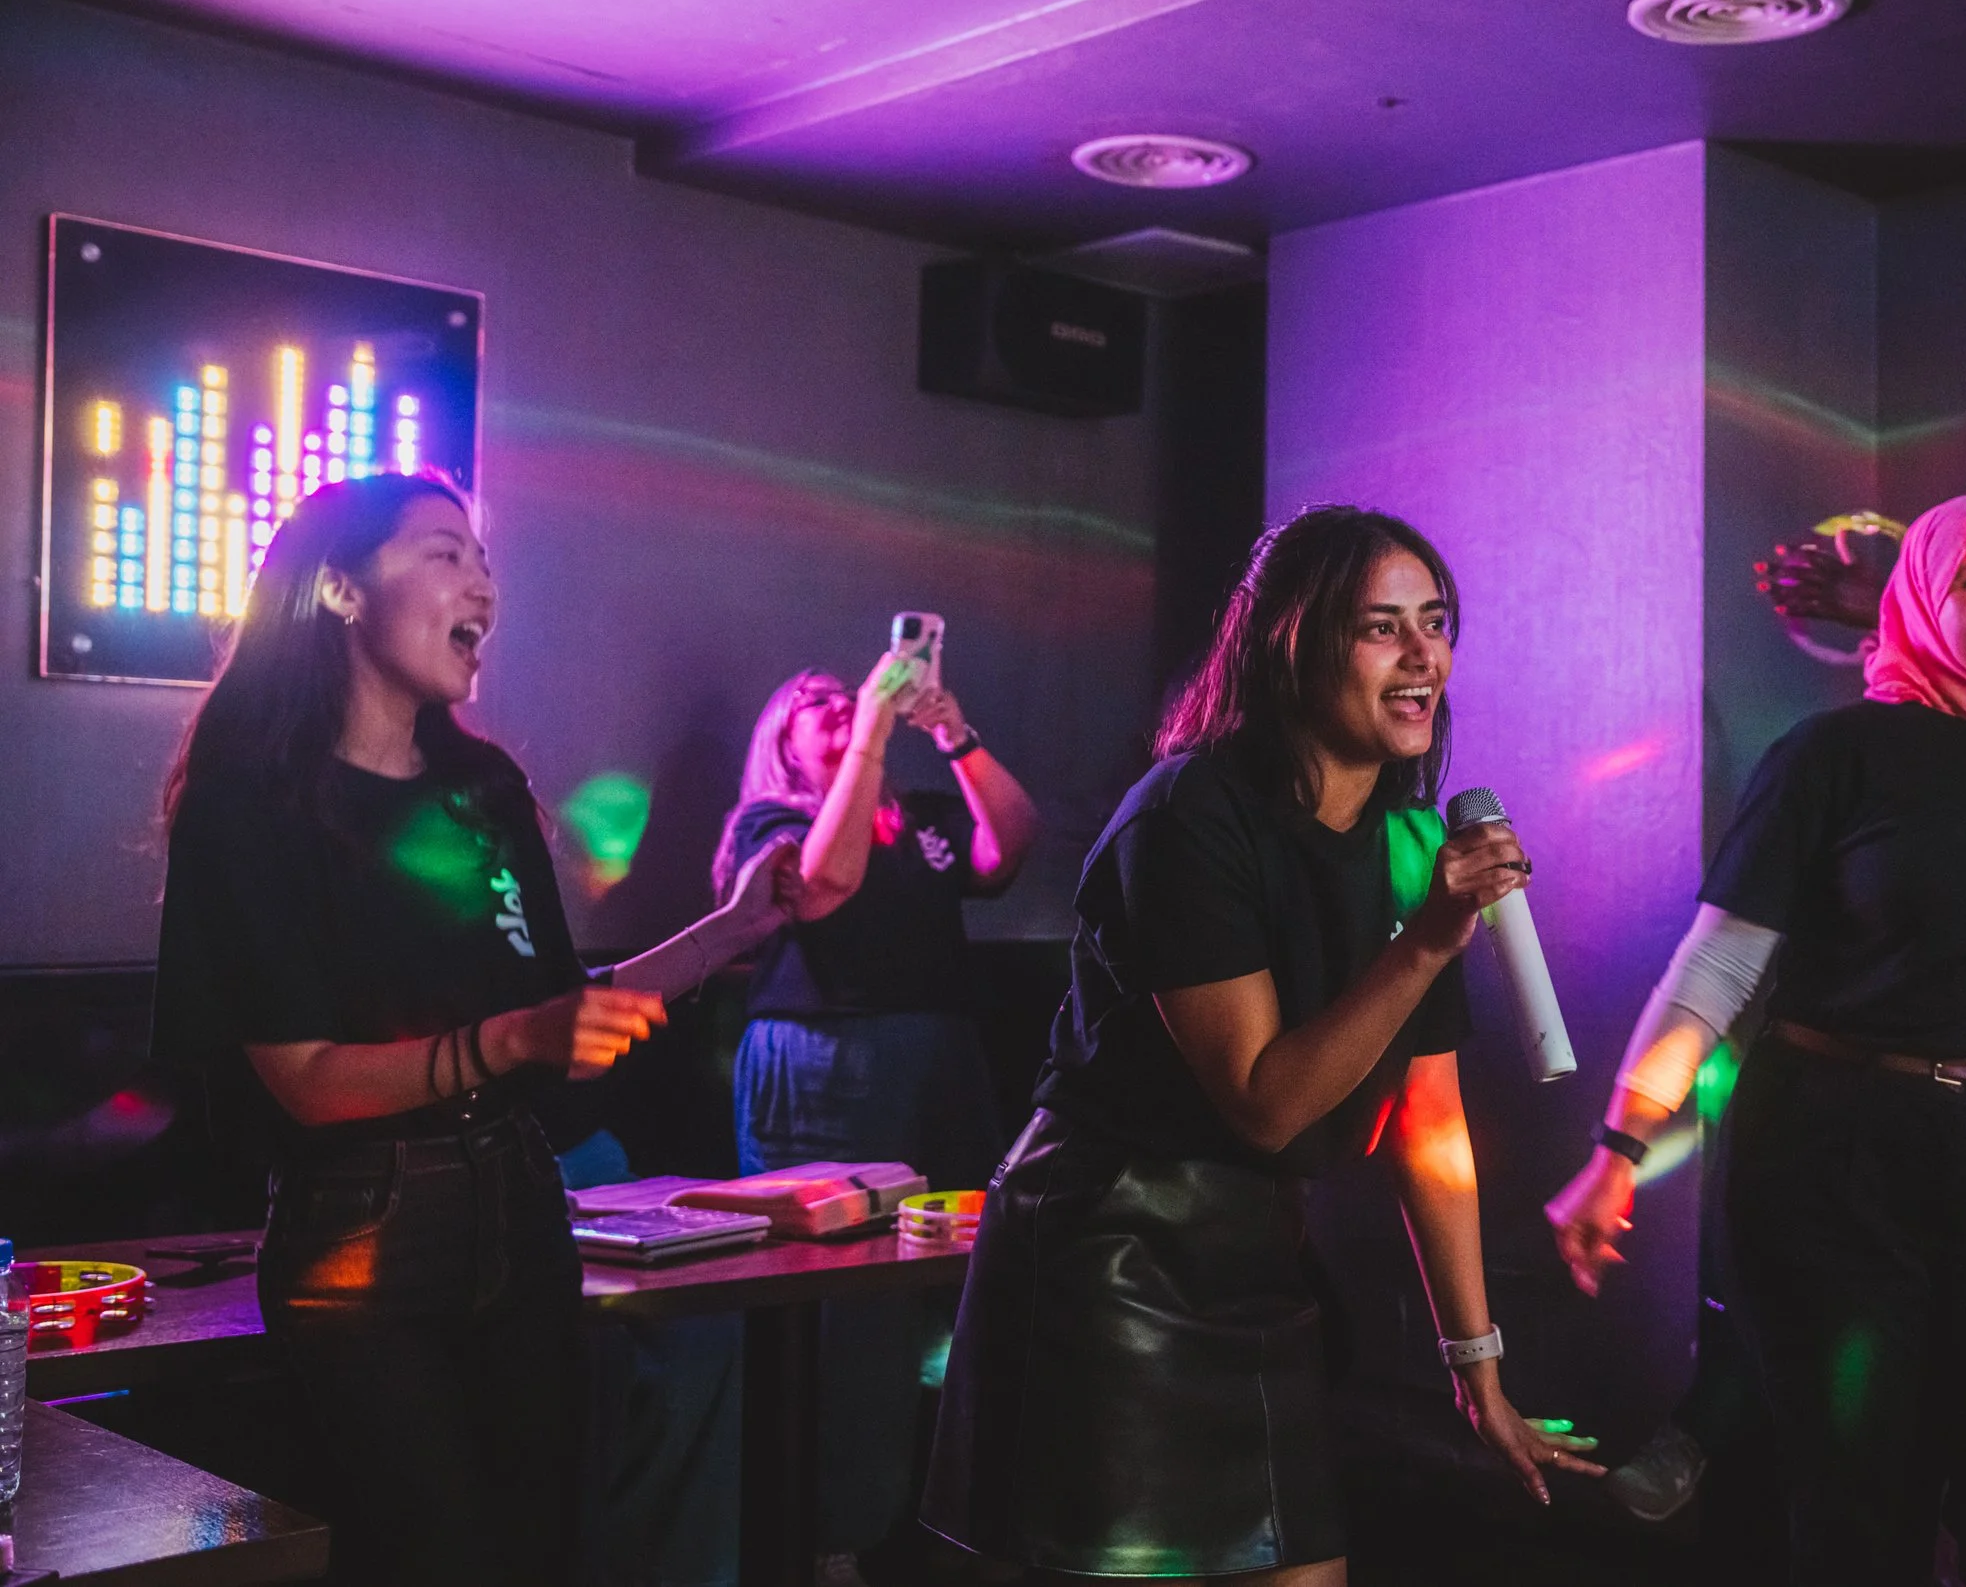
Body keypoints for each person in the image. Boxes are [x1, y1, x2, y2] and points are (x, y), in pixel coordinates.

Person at [924, 505, 1602, 1585]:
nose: (1424, 655)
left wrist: (1477, 1367)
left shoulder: (1410, 839)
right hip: (1113, 1258)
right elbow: (1265, 1098)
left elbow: (1427, 1124)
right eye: (1382, 626)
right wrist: (1427, 938)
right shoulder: (1187, 816)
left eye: (1436, 621)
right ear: (1293, 641)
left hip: (1261, 1266)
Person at [151, 471, 793, 1586]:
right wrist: (509, 1042)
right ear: (342, 591)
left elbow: (558, 1002)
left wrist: (735, 926)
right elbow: (305, 1078)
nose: (483, 584)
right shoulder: (251, 800)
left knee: (542, 1546)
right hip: (362, 1241)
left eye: (485, 560)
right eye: (447, 552)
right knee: (431, 1555)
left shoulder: (480, 787)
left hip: (520, 1206)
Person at [1550, 494, 1966, 1587]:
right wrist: (1621, 1145)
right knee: (1861, 1509)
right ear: (1925, 608)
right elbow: (1716, 965)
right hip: (1835, 1167)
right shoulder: (1837, 753)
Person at [712, 653, 1041, 1579]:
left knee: (964, 1279)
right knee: (843, 1304)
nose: (841, 706)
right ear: (780, 743)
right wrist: (867, 736)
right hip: (825, 1063)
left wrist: (954, 736)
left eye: (844, 701)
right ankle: (830, 1533)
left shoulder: (924, 817)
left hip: (940, 1059)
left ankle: (948, 1516)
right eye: (814, 705)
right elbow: (822, 886)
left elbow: (1012, 846)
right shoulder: (769, 820)